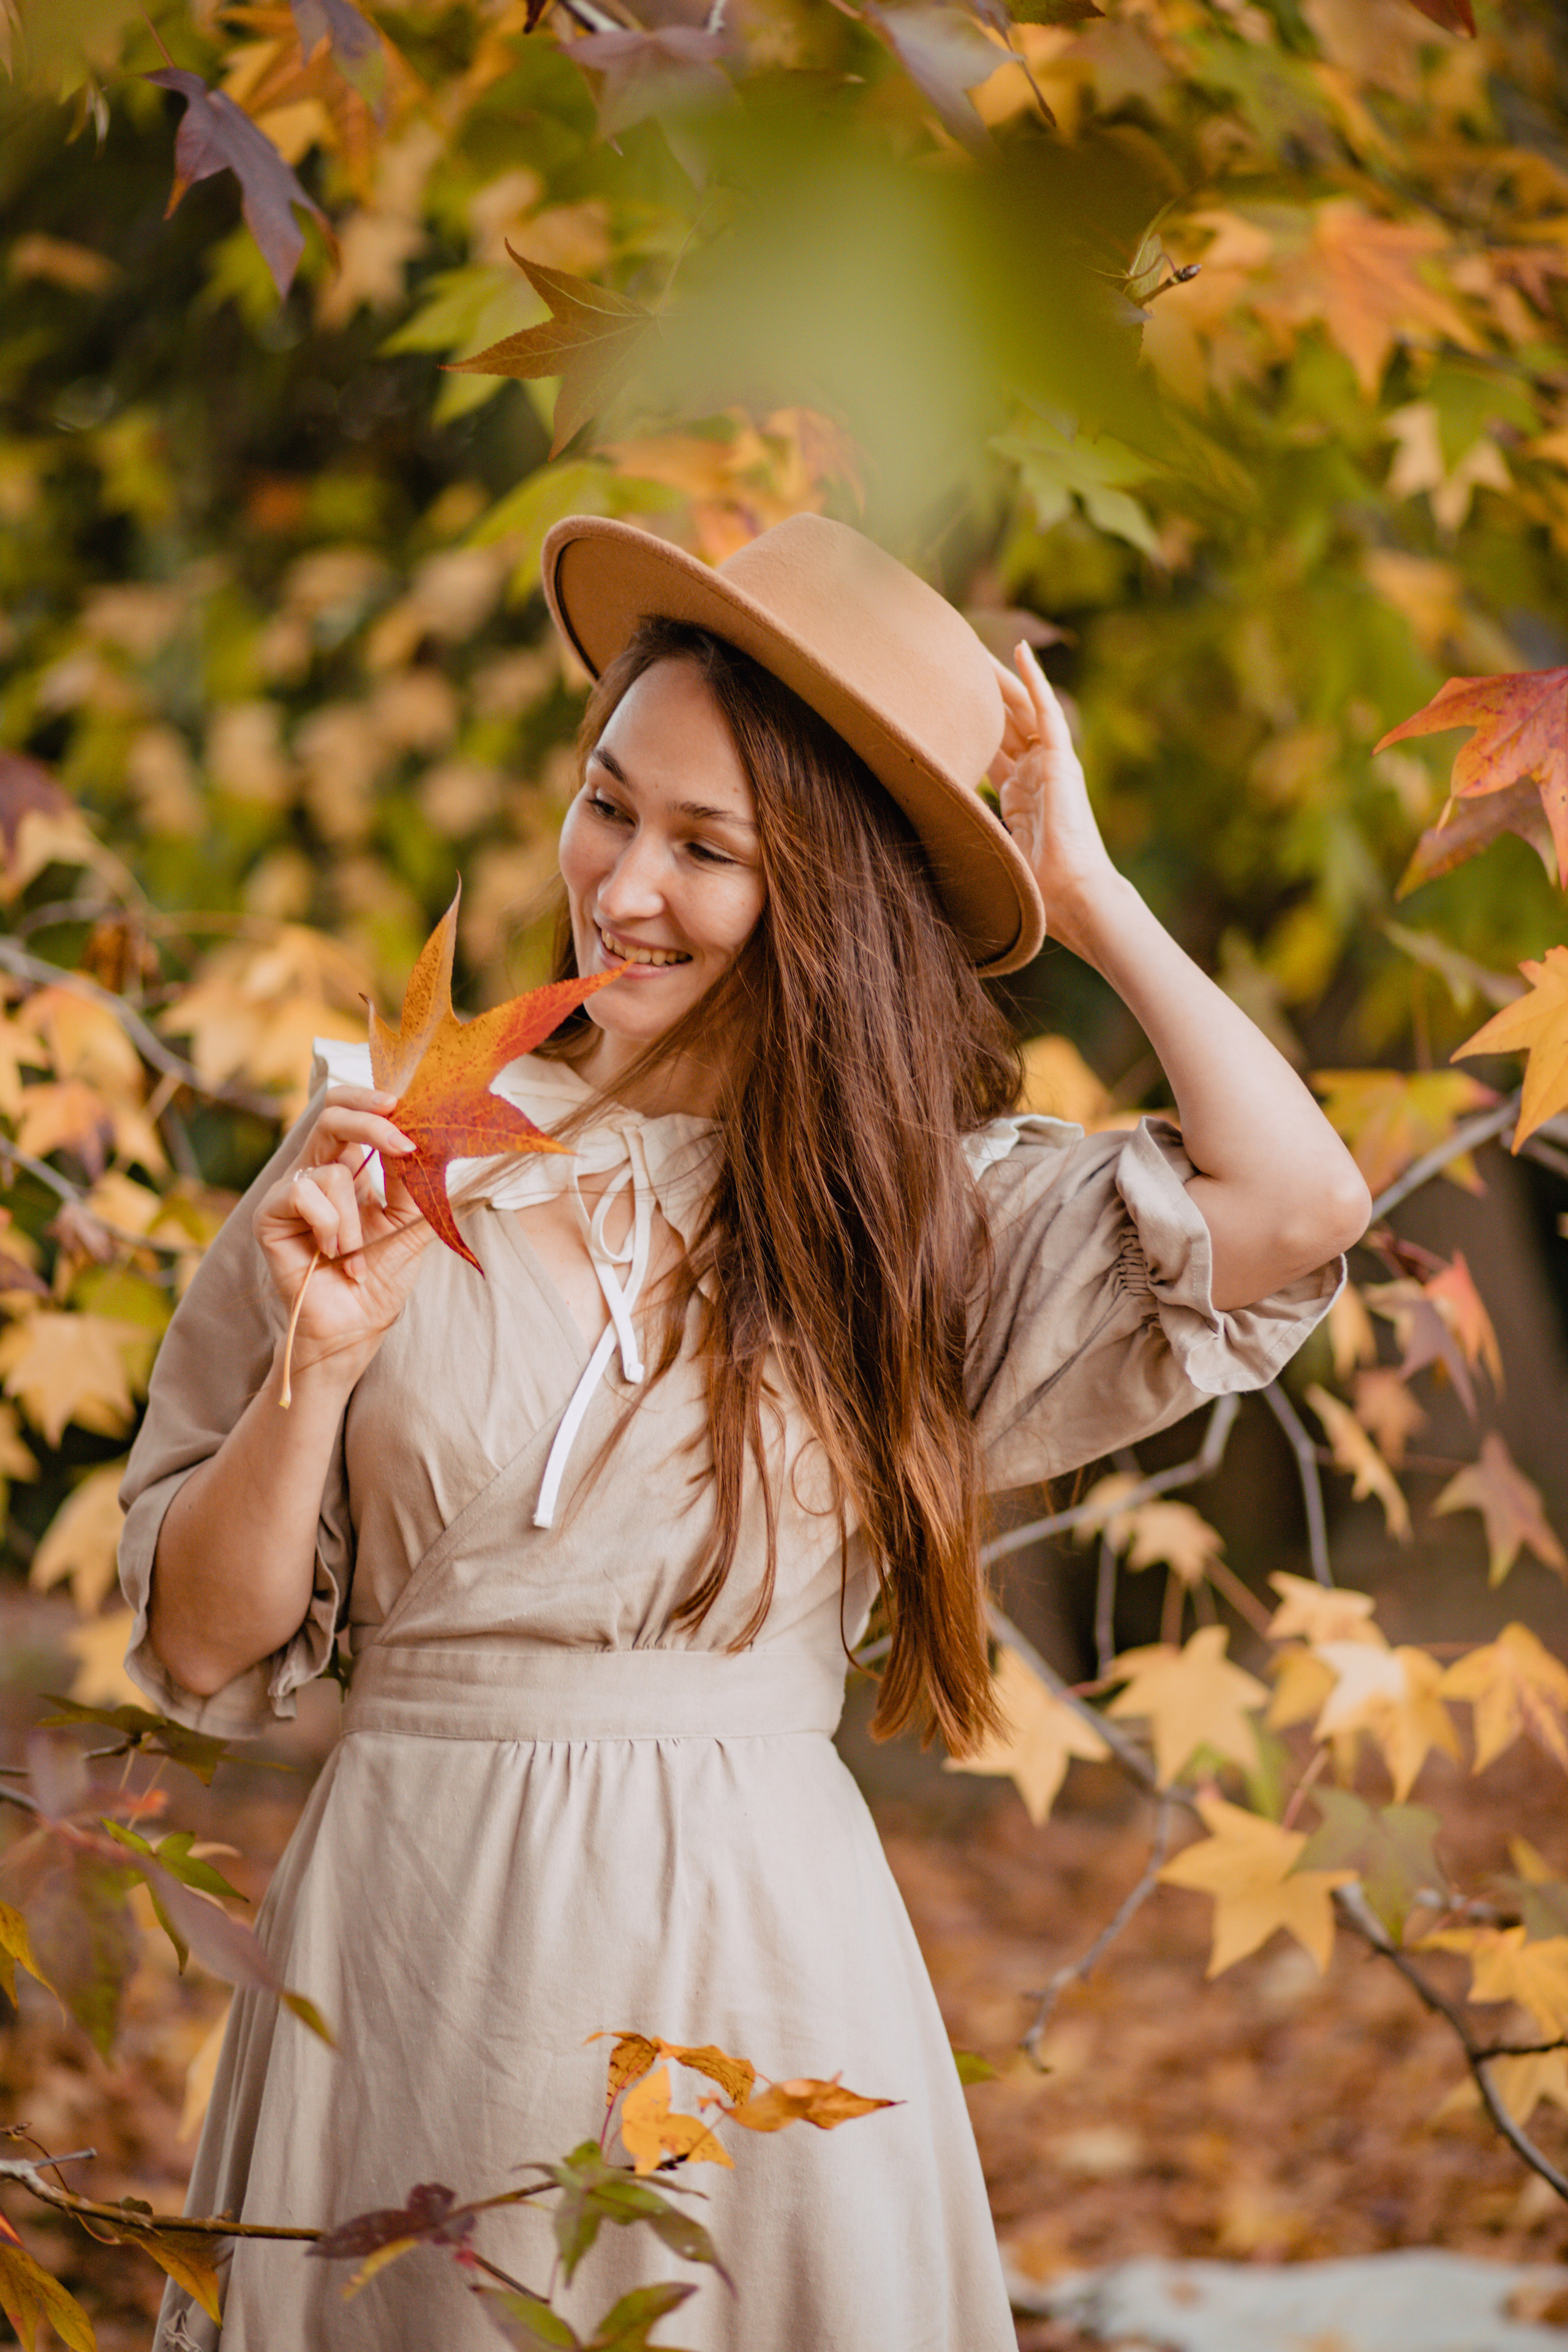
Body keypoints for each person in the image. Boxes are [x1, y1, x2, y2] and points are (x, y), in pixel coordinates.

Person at [119, 512, 1369, 2351]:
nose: (624, 885)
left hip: (760, 1945)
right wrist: (315, 1364)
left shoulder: (910, 1224)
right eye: (607, 805)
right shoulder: (390, 1148)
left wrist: (1088, 895)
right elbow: (200, 1641)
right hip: (412, 1938)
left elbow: (1299, 1205)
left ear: (831, 904)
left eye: (708, 850)